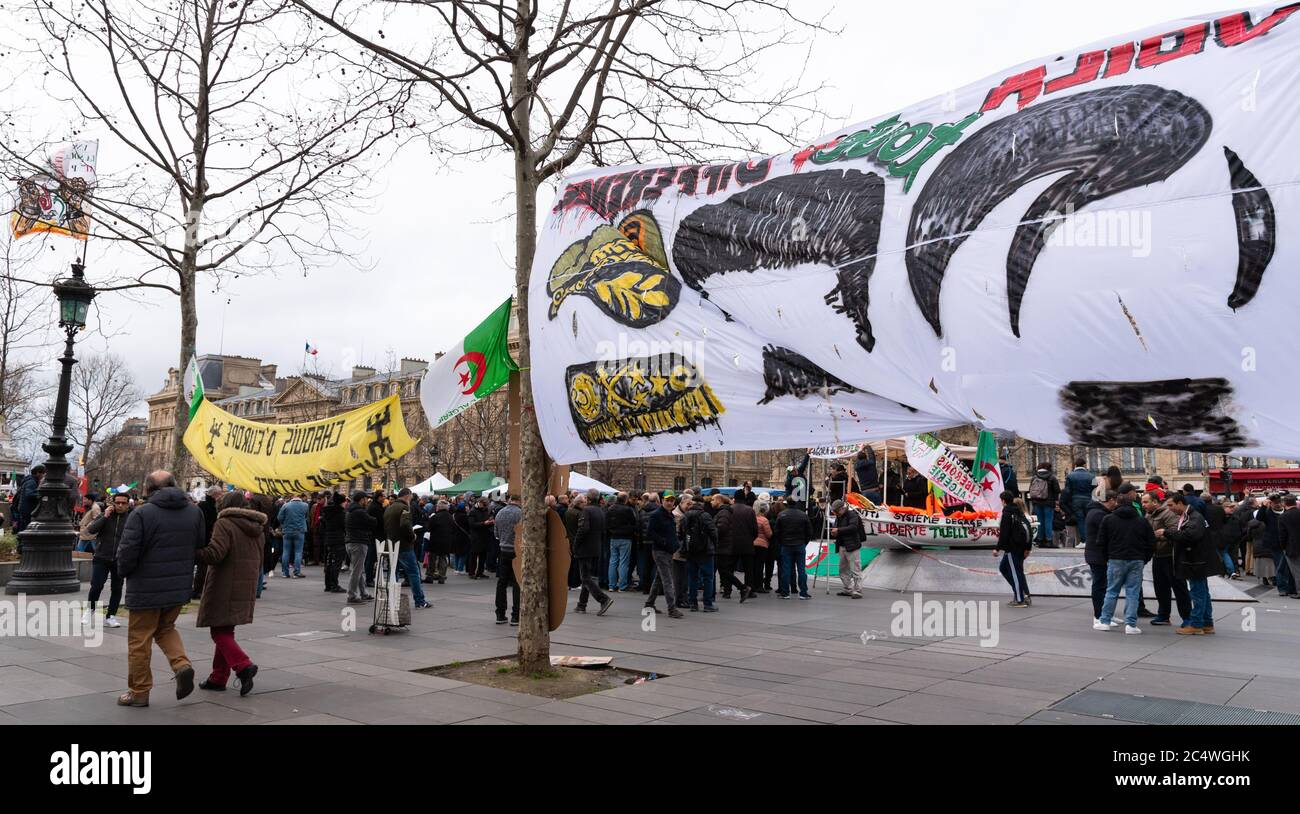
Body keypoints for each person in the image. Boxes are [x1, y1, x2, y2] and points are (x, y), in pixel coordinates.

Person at [114, 470, 202, 707]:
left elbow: (127, 552)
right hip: (178, 585)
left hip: (146, 586)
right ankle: (182, 665)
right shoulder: (194, 512)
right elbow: (200, 544)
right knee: (166, 628)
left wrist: (124, 572)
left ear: (149, 489)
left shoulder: (142, 513)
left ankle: (139, 691)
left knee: (139, 640)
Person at [195, 491, 263, 695]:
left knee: (218, 631)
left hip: (225, 583)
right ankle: (218, 677)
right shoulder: (257, 526)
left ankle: (243, 666)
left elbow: (215, 554)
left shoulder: (224, 523)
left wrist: (195, 551)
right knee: (225, 630)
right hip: (245, 583)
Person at [1094, 482, 1156, 635]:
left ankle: (1105, 621)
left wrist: (1107, 558)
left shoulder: (1108, 519)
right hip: (1136, 559)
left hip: (1115, 559)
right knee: (1133, 592)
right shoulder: (1142, 521)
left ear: (1117, 504)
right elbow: (1151, 542)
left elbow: (1101, 542)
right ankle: (1131, 624)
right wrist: (1144, 558)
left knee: (1111, 591)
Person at [1162, 493, 1219, 635]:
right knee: (1203, 592)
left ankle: (1196, 624)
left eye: (1171, 505)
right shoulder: (1191, 516)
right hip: (1197, 559)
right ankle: (1207, 623)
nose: (1169, 509)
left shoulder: (1194, 517)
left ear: (1180, 503)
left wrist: (1167, 533)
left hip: (1196, 561)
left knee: (1198, 593)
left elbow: (1190, 536)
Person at [82, 491, 131, 629]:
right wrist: (105, 515)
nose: (120, 505)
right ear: (113, 503)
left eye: (123, 503)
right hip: (101, 557)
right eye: (118, 502)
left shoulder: (132, 518)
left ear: (128, 505)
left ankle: (111, 616)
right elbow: (91, 530)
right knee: (96, 586)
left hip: (120, 559)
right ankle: (89, 610)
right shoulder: (106, 515)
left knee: (117, 588)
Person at [1144, 491, 1189, 627]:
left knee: (1179, 587)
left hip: (1170, 556)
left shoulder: (1167, 513)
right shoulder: (1149, 515)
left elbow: (1175, 531)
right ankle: (1163, 615)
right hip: (1157, 555)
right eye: (1142, 502)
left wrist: (1156, 536)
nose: (1143, 505)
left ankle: (1187, 617)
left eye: (1146, 502)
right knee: (1160, 587)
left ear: (1155, 502)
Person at [385, 488, 431, 609]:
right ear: (407, 496)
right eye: (410, 498)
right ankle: (420, 601)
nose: (411, 500)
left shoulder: (389, 508)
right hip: (404, 545)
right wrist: (412, 536)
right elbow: (405, 524)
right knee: (413, 572)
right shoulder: (404, 508)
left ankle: (391, 598)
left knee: (393, 572)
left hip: (391, 544)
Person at [573, 489, 614, 615]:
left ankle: (603, 599)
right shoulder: (601, 511)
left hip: (585, 547)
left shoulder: (586, 510)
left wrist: (576, 544)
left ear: (588, 499)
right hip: (596, 547)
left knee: (585, 577)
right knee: (587, 577)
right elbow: (603, 531)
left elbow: (583, 529)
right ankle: (582, 604)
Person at [644, 494, 683, 618]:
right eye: (667, 500)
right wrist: (663, 542)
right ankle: (672, 608)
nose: (670, 503)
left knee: (659, 579)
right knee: (667, 580)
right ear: (662, 501)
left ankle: (649, 604)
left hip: (668, 550)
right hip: (660, 551)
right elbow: (650, 533)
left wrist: (674, 544)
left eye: (672, 501)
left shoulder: (669, 514)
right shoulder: (656, 515)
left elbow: (671, 533)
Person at [993, 490, 1033, 608]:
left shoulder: (1007, 513)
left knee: (1015, 573)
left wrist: (997, 548)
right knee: (1004, 568)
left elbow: (1004, 533)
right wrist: (1028, 547)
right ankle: (1021, 592)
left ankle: (1020, 599)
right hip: (1021, 547)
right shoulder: (1018, 512)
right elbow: (1028, 528)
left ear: (1003, 501)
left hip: (1012, 547)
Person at [1084, 489, 1119, 622]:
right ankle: (1099, 615)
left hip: (1097, 554)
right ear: (1111, 500)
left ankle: (1106, 613)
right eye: (1115, 501)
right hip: (1098, 555)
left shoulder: (1097, 512)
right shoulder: (1099, 514)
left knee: (1103, 585)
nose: (1116, 504)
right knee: (1100, 585)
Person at [680, 495, 719, 612]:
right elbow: (713, 532)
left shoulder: (685, 516)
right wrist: (715, 545)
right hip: (705, 551)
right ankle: (707, 604)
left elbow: (681, 532)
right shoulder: (705, 515)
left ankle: (693, 603)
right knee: (708, 577)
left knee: (692, 577)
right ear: (702, 504)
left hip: (690, 550)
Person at [774, 498, 812, 599]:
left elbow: (777, 532)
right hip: (800, 544)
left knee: (786, 569)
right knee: (801, 569)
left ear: (787, 503)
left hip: (786, 544)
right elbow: (809, 532)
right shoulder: (803, 515)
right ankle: (803, 592)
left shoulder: (782, 515)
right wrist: (804, 542)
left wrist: (781, 542)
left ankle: (785, 592)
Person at [493, 494, 522, 625]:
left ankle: (500, 613)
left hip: (503, 550)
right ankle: (516, 615)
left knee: (502, 583)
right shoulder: (521, 513)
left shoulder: (500, 513)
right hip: (517, 551)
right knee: (517, 583)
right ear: (520, 500)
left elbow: (496, 534)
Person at [344, 491, 375, 604]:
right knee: (356, 571)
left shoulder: (350, 510)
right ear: (362, 499)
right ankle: (351, 595)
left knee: (358, 569)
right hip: (359, 542)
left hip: (350, 541)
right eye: (366, 499)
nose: (367, 501)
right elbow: (373, 522)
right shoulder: (359, 511)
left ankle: (364, 593)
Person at [830, 499, 865, 599]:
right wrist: (835, 532)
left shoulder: (852, 515)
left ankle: (858, 590)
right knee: (843, 569)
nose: (835, 513)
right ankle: (848, 589)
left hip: (852, 546)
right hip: (842, 545)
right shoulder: (839, 516)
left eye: (836, 511)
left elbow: (853, 527)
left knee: (855, 569)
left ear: (842, 508)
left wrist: (838, 530)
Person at [605, 492, 638, 591]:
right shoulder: (628, 509)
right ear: (625, 499)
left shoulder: (610, 509)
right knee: (623, 562)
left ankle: (611, 585)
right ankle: (622, 585)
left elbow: (607, 523)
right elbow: (634, 522)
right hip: (625, 538)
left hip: (614, 537)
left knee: (613, 561)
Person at [1061, 457, 1094, 547]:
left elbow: (1067, 491)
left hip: (1076, 500)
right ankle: (1090, 540)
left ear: (1076, 465)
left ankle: (1084, 541)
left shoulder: (1070, 476)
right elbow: (1095, 490)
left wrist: (1065, 502)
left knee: (1080, 520)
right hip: (1089, 500)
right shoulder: (1092, 476)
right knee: (1088, 520)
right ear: (1084, 465)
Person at [320, 492, 347, 593]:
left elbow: (322, 527)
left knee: (329, 562)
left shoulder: (327, 512)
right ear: (341, 503)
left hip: (328, 539)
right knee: (337, 563)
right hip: (338, 539)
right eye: (344, 502)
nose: (346, 504)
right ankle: (334, 585)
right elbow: (344, 526)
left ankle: (328, 585)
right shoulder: (341, 513)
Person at [1026, 462, 1060, 545]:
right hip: (1049, 502)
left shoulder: (1034, 477)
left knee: (1040, 521)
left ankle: (1040, 540)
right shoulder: (1052, 477)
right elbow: (1057, 490)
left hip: (1037, 502)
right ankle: (1049, 540)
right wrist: (1056, 500)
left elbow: (1030, 489)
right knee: (1048, 521)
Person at [276, 493, 309, 578]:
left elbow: (279, 518)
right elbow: (306, 517)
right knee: (298, 552)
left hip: (287, 531)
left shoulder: (285, 505)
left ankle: (285, 573)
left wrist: (284, 524)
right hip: (300, 531)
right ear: (300, 498)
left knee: (286, 551)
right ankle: (297, 572)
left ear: (292, 497)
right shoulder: (305, 505)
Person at [425, 499, 455, 585]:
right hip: (446, 541)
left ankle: (430, 576)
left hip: (435, 540)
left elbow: (429, 528)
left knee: (432, 559)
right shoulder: (450, 517)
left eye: (437, 506)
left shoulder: (435, 516)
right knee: (443, 558)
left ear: (439, 507)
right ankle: (442, 576)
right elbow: (453, 529)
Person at [466, 496, 494, 580]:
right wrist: (484, 523)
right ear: (480, 503)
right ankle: (471, 572)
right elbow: (472, 525)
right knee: (474, 555)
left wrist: (491, 522)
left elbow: (486, 521)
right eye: (484, 505)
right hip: (476, 537)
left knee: (483, 555)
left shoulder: (485, 510)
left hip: (484, 536)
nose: (485, 507)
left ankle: (480, 572)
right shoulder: (472, 511)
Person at [1279, 495, 1300, 599]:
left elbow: (1283, 534)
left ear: (1284, 503)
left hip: (1292, 547)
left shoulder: (1283, 516)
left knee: (1296, 570)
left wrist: (1283, 547)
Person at [13, 464, 44, 534]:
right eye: (43, 473)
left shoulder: (30, 480)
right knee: (25, 529)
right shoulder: (31, 482)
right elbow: (29, 494)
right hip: (27, 510)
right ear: (38, 473)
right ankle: (22, 544)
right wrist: (41, 495)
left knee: (24, 529)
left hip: (24, 509)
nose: (43, 476)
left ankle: (22, 543)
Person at [754, 500, 774, 592]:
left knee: (753, 566)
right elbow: (769, 534)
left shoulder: (752, 518)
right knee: (760, 566)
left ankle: (752, 585)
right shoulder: (764, 520)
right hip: (762, 545)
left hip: (752, 543)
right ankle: (759, 586)